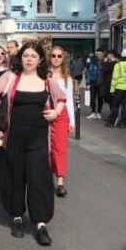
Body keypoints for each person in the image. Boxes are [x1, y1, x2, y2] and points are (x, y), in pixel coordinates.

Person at [0, 42, 63, 246]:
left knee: (39, 178)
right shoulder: (11, 77)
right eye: (26, 55)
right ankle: (17, 217)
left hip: (38, 137)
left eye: (33, 56)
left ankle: (40, 224)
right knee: (15, 176)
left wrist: (56, 112)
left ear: (40, 60)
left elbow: (61, 99)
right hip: (14, 136)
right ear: (20, 58)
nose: (29, 59)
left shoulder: (47, 81)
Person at [47, 46, 75, 197]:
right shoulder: (43, 75)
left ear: (63, 58)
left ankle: (60, 183)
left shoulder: (67, 78)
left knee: (60, 148)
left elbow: (69, 100)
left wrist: (72, 121)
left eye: (59, 56)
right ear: (49, 57)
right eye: (53, 55)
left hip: (62, 115)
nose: (56, 58)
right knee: (46, 148)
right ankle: (47, 175)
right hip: (45, 112)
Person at [85, 48, 104, 119]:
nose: (98, 55)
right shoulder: (92, 60)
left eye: (100, 54)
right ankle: (93, 112)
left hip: (102, 83)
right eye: (97, 54)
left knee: (100, 98)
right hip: (93, 82)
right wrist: (88, 83)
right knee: (92, 98)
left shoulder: (105, 61)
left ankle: (99, 112)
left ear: (103, 54)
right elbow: (88, 72)